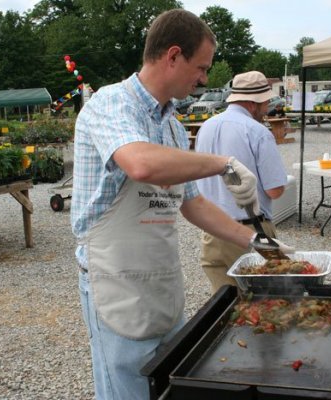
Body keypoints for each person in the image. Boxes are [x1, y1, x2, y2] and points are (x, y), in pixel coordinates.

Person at [70, 9, 292, 400]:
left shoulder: (172, 125)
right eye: (201, 67)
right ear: (173, 55)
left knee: (168, 385)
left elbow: (192, 204)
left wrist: (256, 242)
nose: (205, 79)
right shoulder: (111, 104)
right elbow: (140, 163)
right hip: (115, 279)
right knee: (128, 391)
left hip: (162, 278)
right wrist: (224, 163)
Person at [195, 71, 288, 292]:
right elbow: (275, 190)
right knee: (266, 304)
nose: (267, 108)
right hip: (248, 232)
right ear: (253, 103)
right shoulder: (257, 131)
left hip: (212, 230)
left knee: (225, 307)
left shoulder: (206, 127)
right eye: (265, 102)